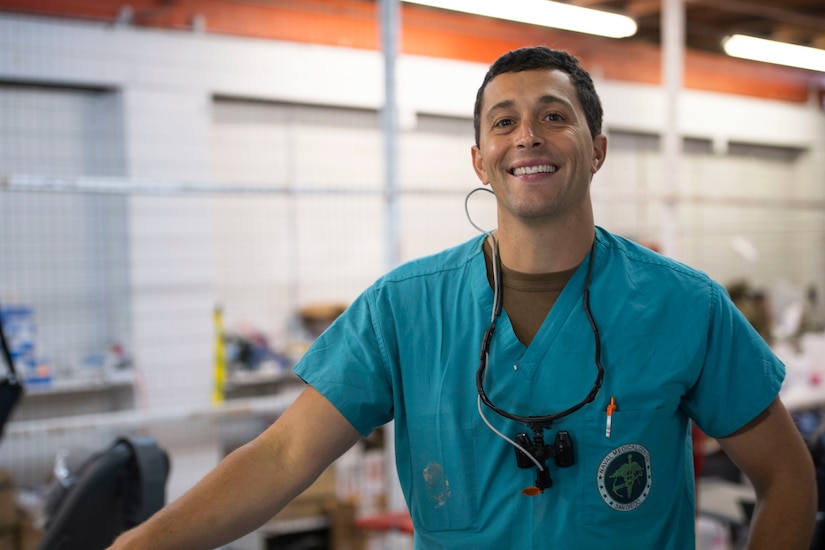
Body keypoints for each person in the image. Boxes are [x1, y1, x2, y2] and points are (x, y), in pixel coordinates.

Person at [109, 46, 816, 549]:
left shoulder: (683, 305)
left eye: (553, 116)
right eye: (502, 121)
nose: (527, 136)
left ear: (596, 148)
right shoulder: (403, 309)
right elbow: (282, 457)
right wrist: (141, 545)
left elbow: (785, 475)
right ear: (479, 159)